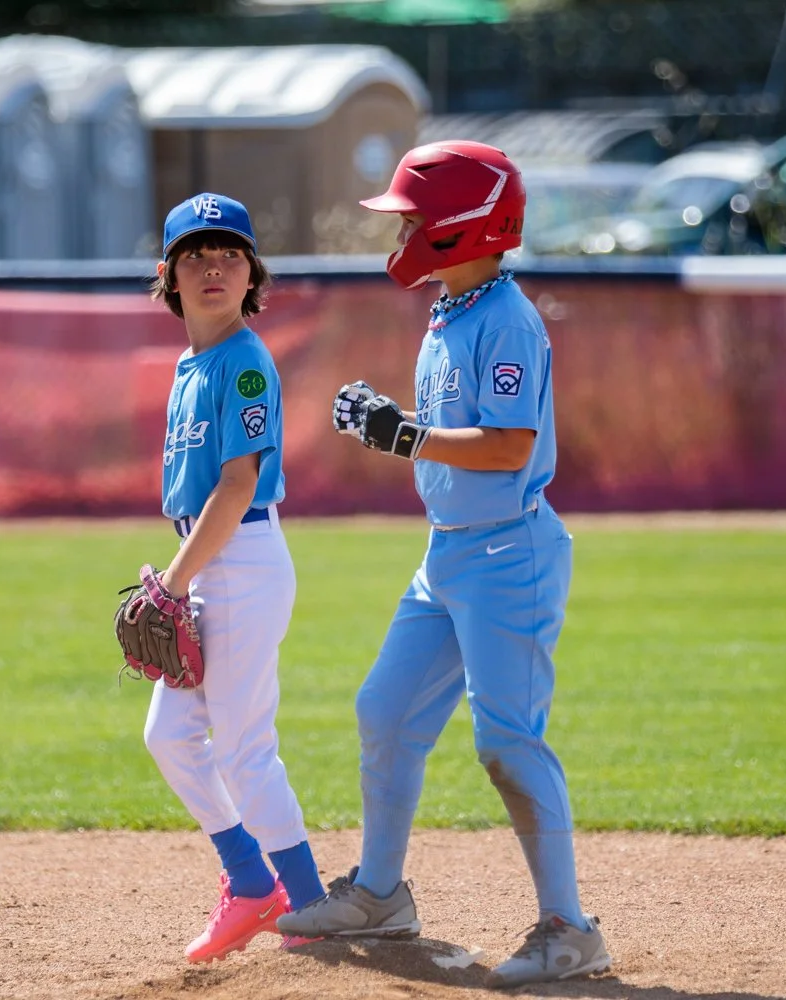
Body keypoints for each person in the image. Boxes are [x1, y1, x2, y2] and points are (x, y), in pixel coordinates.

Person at [273, 142, 612, 987]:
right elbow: (460, 432)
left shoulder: (505, 318)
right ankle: (383, 896)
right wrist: (397, 422)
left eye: (417, 216)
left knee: (507, 741)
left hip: (508, 556)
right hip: (449, 555)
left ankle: (571, 930)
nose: (405, 230)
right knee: (385, 710)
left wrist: (407, 434)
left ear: (464, 223)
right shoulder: (456, 307)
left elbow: (507, 447)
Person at [141, 192, 326, 963]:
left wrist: (174, 583)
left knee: (245, 749)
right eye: (195, 254)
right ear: (169, 277)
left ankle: (311, 904)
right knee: (171, 736)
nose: (213, 266)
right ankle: (252, 883)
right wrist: (184, 574)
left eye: (230, 254)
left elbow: (238, 486)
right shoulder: (192, 362)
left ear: (253, 274)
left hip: (241, 561)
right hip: (209, 558)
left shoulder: (243, 362)